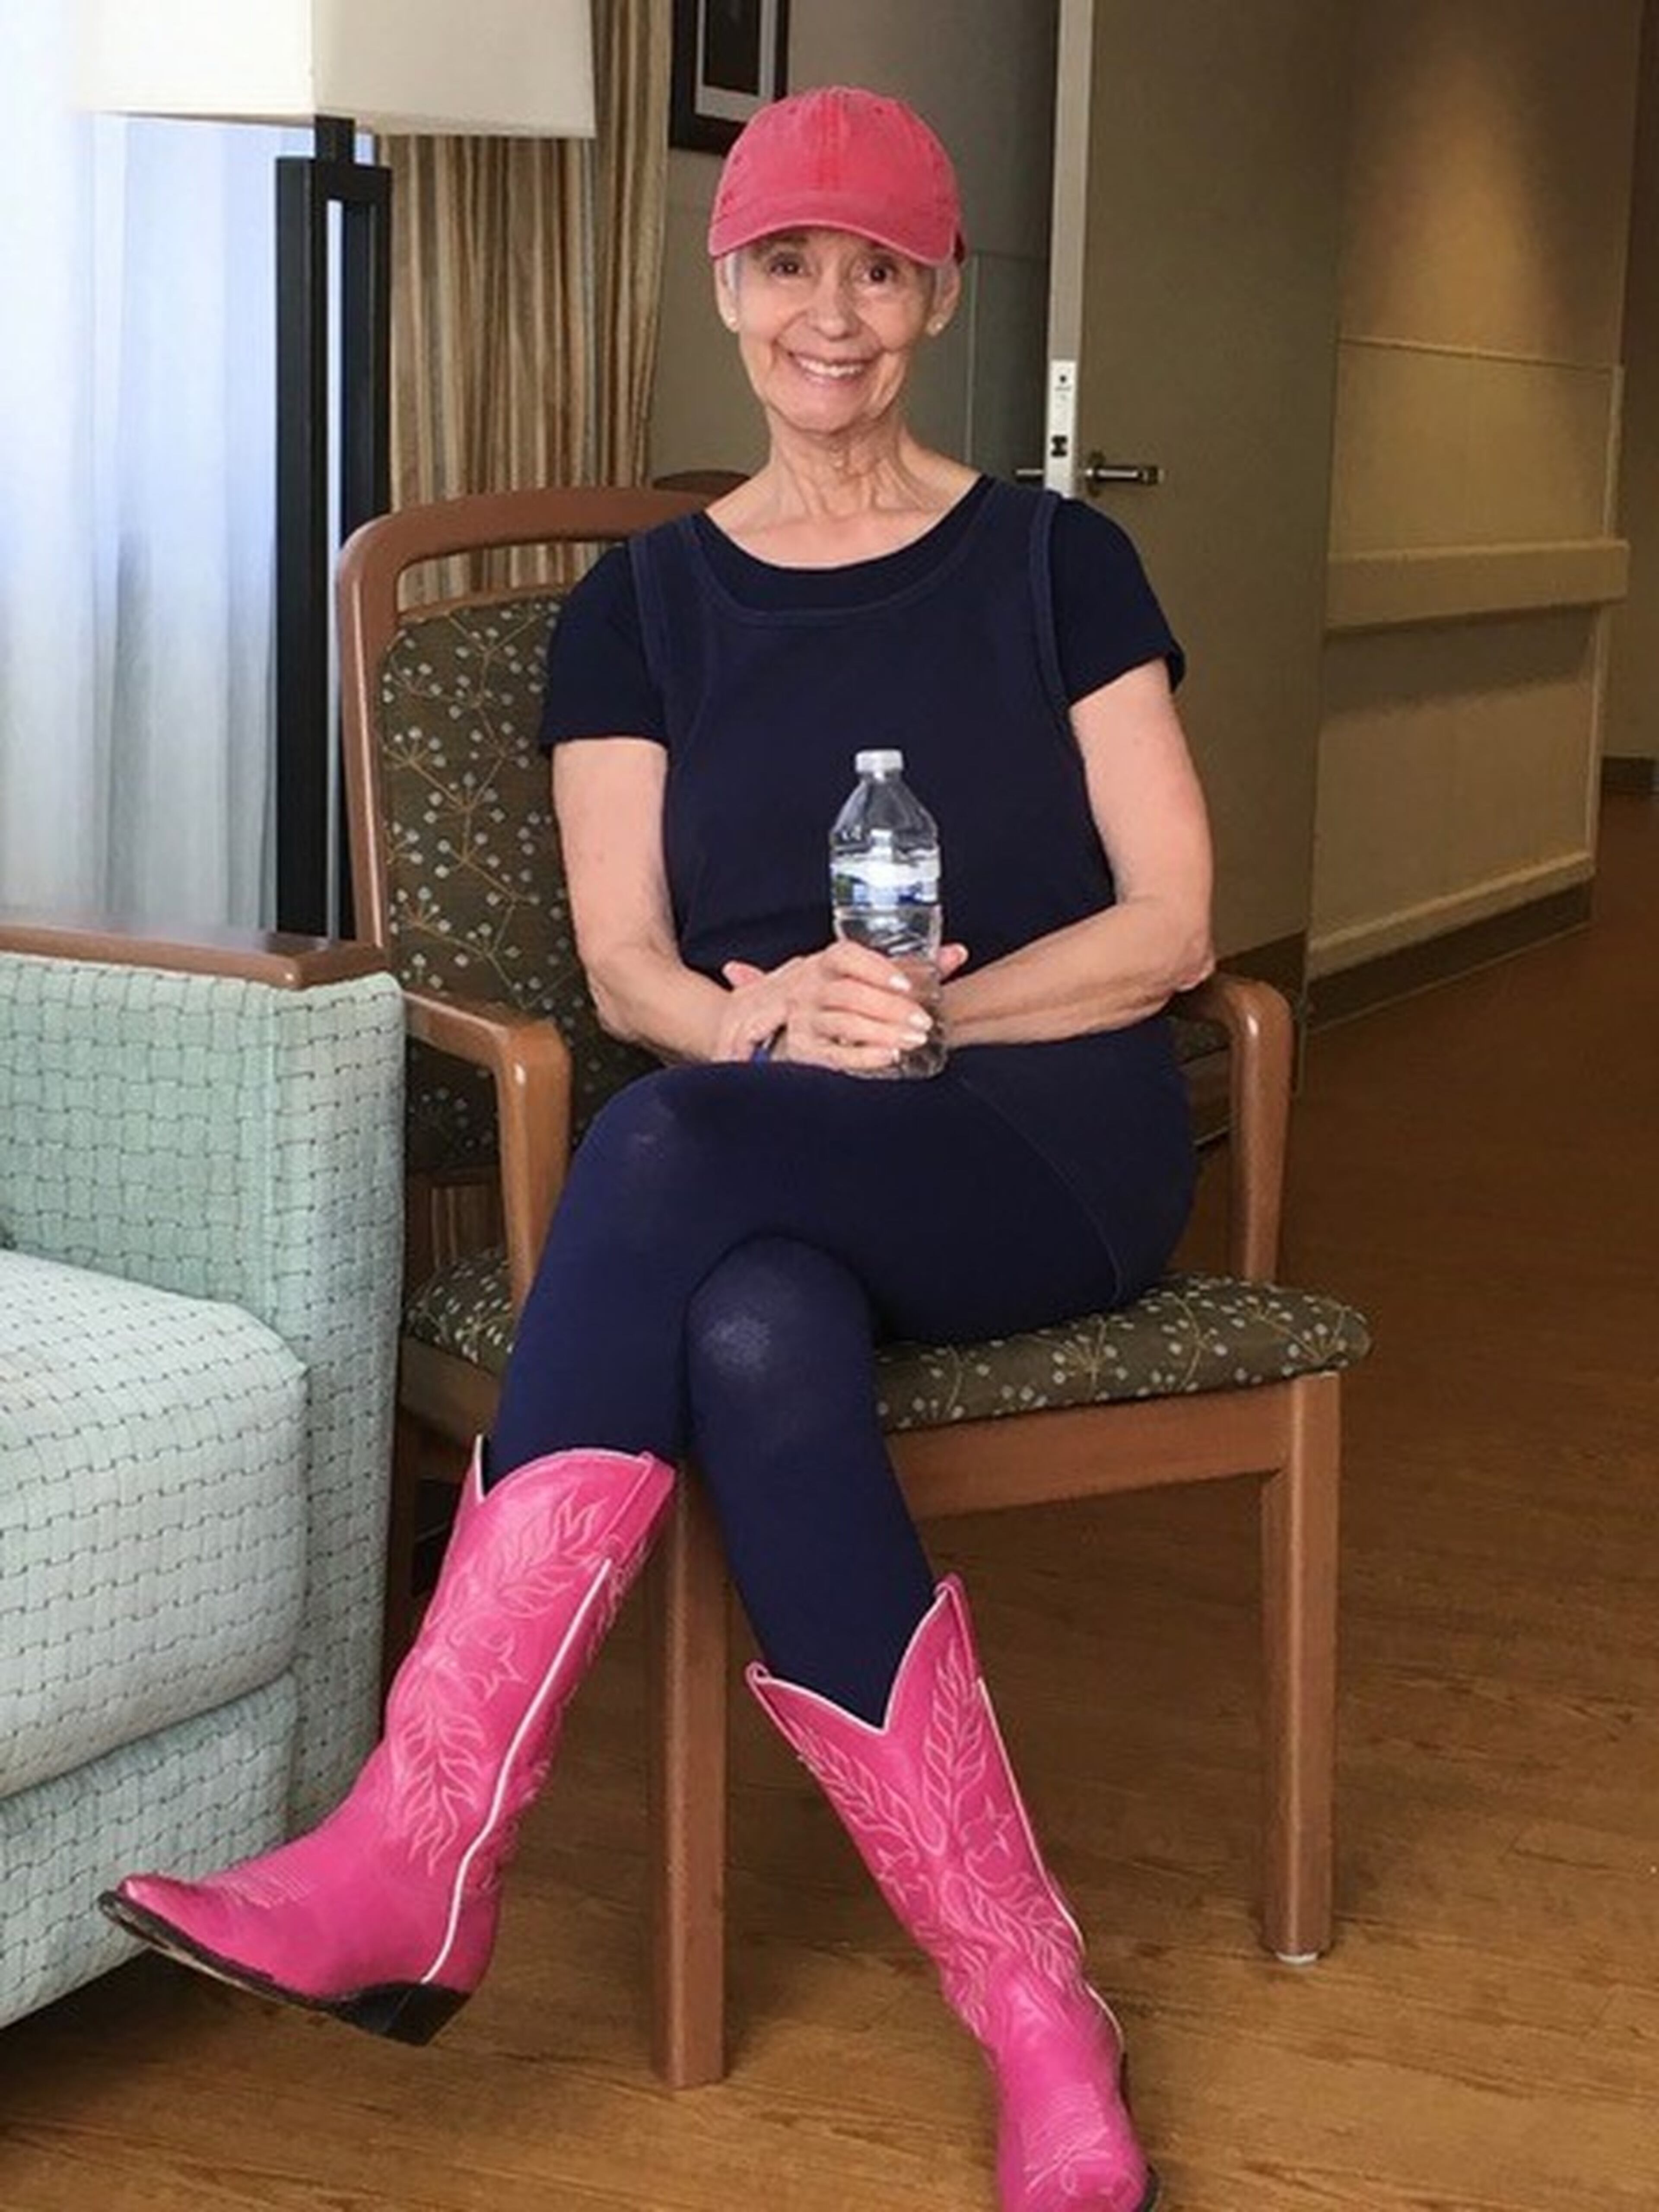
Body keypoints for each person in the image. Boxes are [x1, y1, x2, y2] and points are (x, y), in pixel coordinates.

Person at [103, 85, 1212, 2212]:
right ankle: (1039, 2006)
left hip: (1043, 1133)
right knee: (760, 1337)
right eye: (789, 261)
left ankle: (423, 1841)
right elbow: (624, 962)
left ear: (935, 292)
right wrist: (770, 1014)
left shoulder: (1064, 561)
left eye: (877, 267)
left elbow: (1170, 915)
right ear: (729, 290)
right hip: (767, 1116)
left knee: (682, 1160)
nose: (832, 310)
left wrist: (932, 1008)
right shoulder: (644, 613)